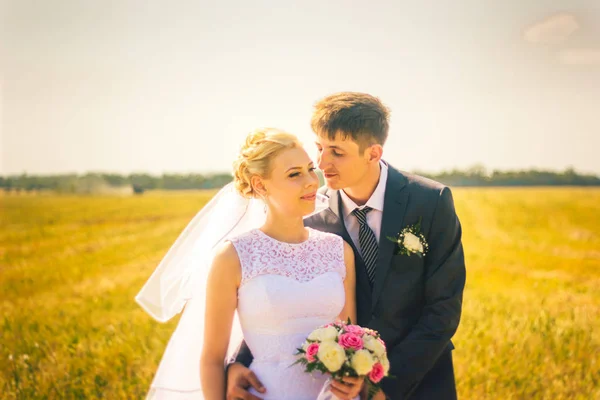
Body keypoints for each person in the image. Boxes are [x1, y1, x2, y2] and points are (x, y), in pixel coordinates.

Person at [227, 92, 466, 400]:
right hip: (337, 388)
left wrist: (385, 386)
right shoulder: (309, 212)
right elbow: (280, 297)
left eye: (336, 152)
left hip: (422, 382)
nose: (321, 163)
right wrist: (239, 363)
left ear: (373, 152)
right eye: (319, 148)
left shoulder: (430, 202)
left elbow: (443, 310)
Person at [136, 128, 359, 399]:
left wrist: (355, 380)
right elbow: (212, 358)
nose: (312, 181)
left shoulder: (338, 250)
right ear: (260, 185)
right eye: (294, 174)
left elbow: (352, 340)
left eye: (310, 169)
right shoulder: (233, 257)